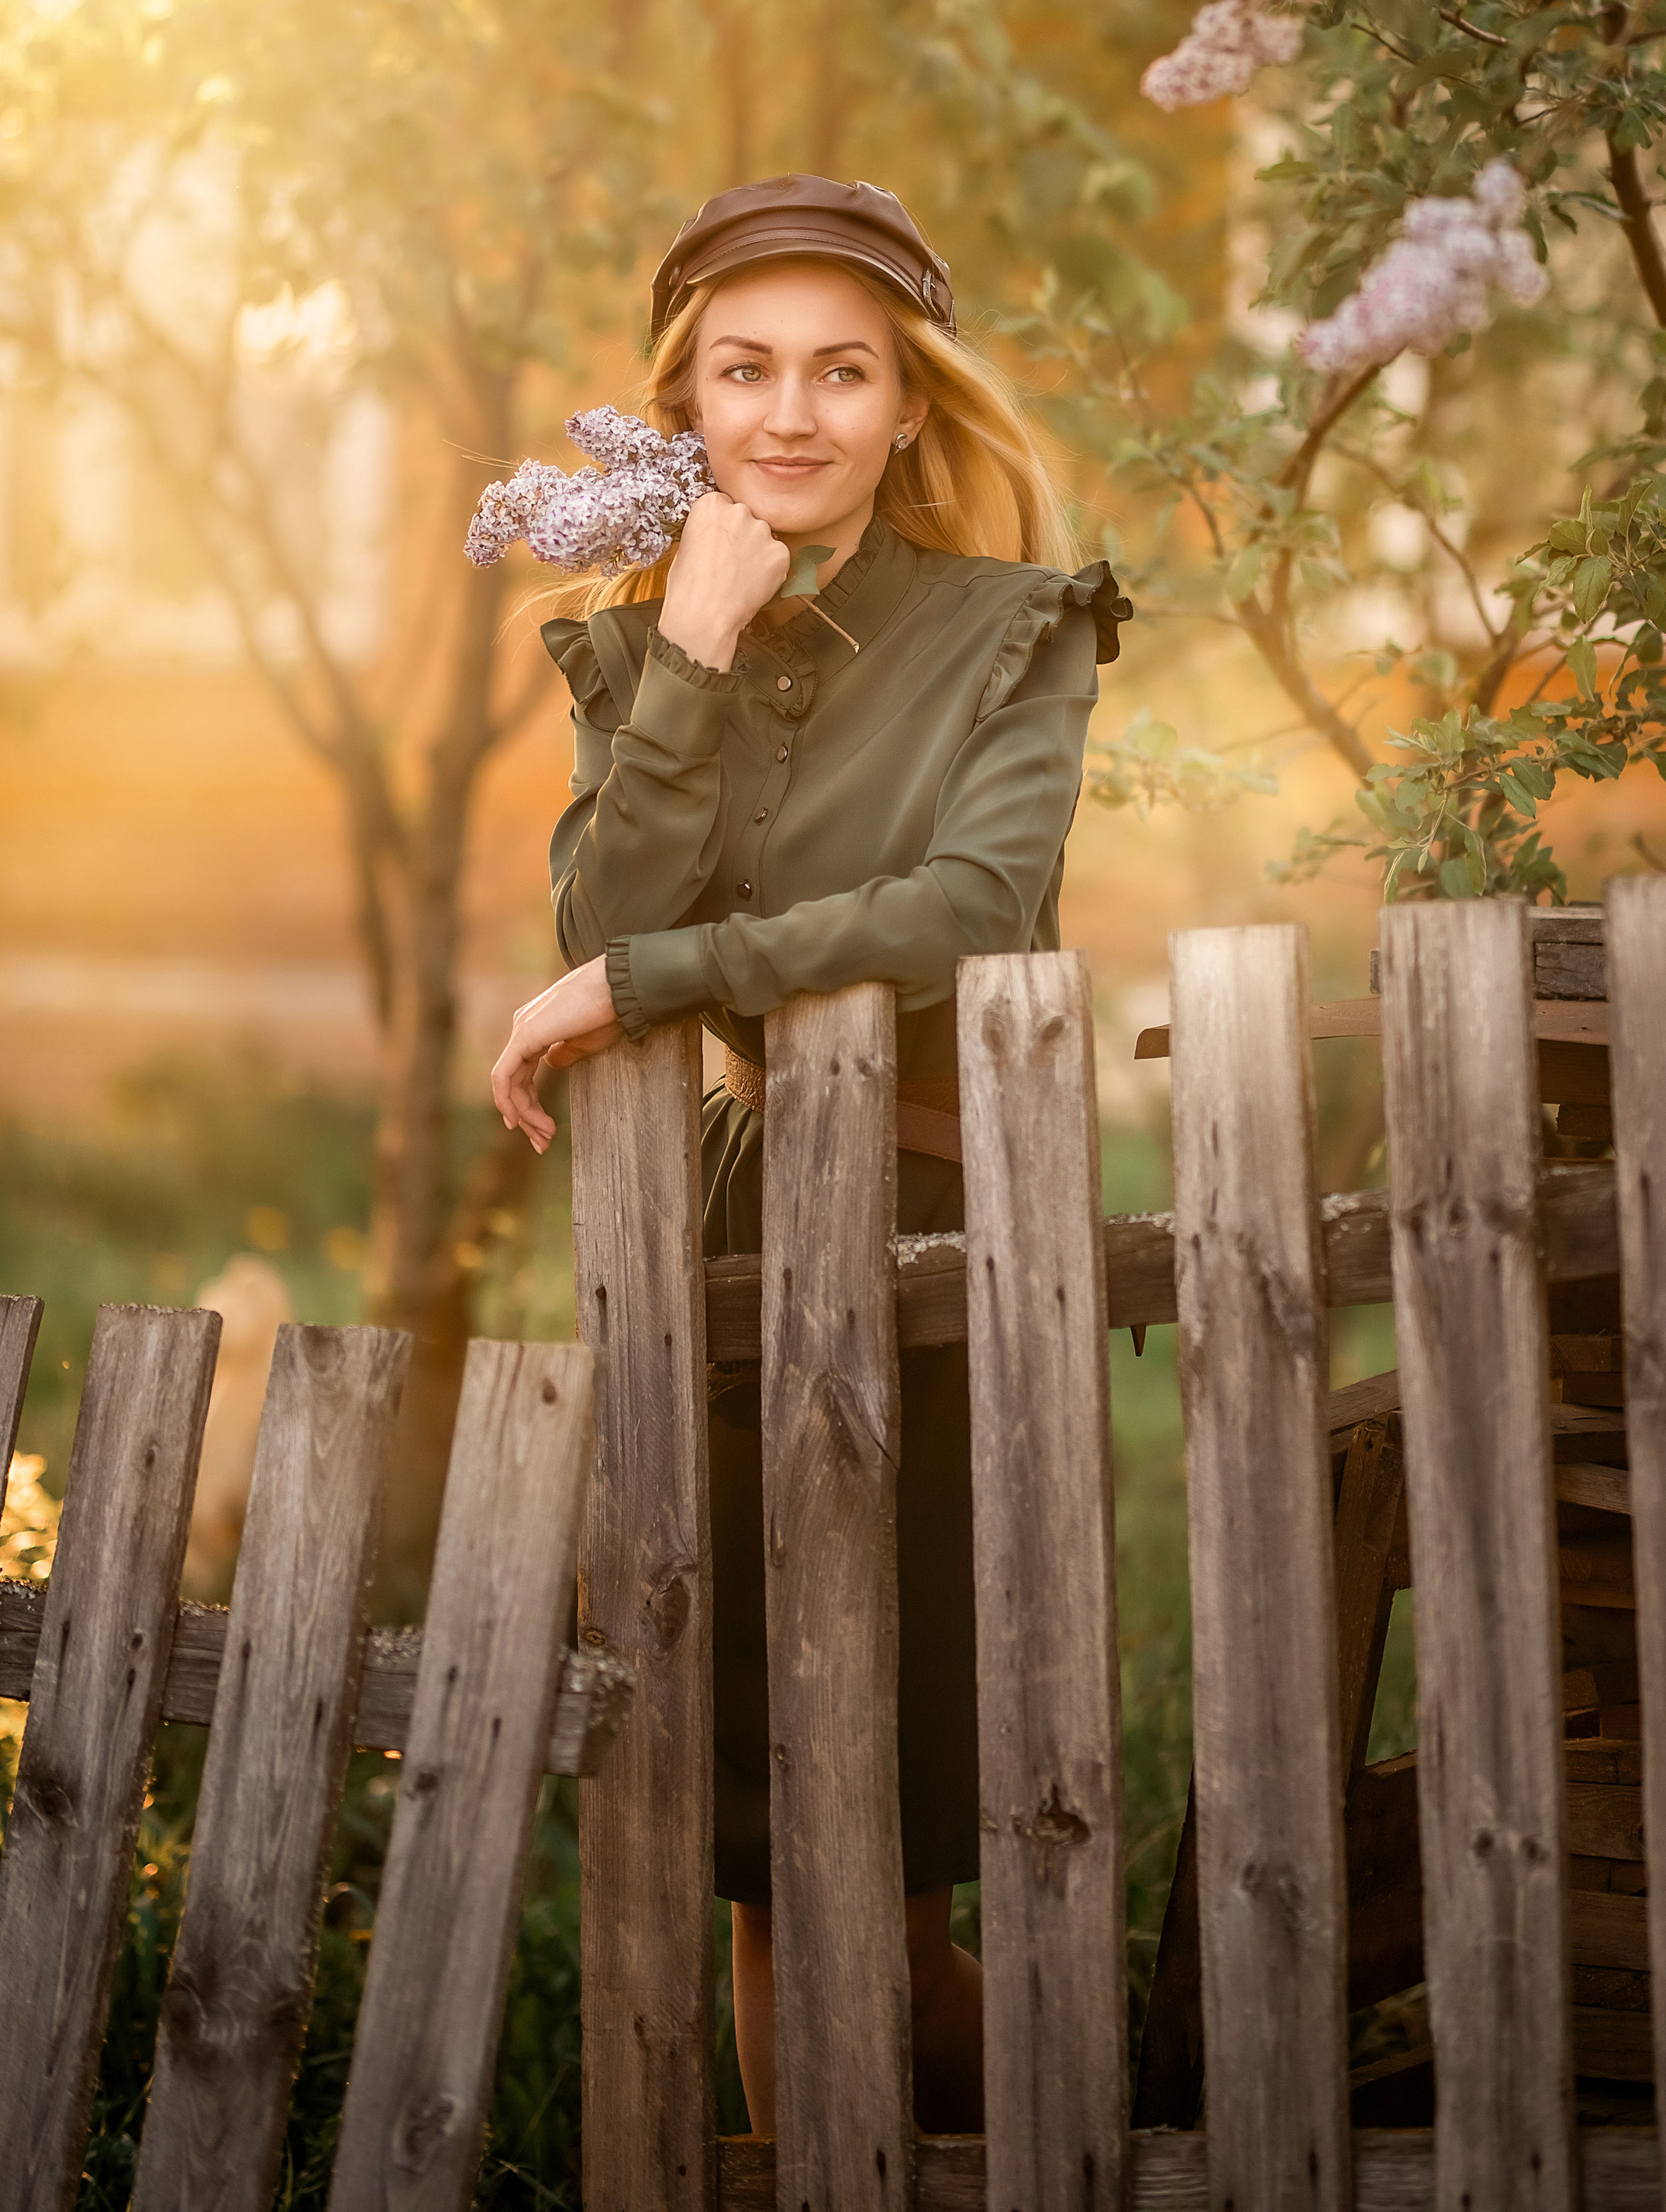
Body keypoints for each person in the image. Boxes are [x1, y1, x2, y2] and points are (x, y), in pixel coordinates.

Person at [488, 174, 1128, 2138]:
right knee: (769, 1835)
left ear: (910, 403)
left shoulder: (1014, 631)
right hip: (737, 1230)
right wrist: (685, 646)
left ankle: (1046, 2137)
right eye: (744, 370)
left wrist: (658, 975)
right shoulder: (633, 643)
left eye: (842, 373)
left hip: (948, 1222)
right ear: (683, 402)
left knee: (928, 1816)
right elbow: (595, 913)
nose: (791, 414)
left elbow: (976, 907)